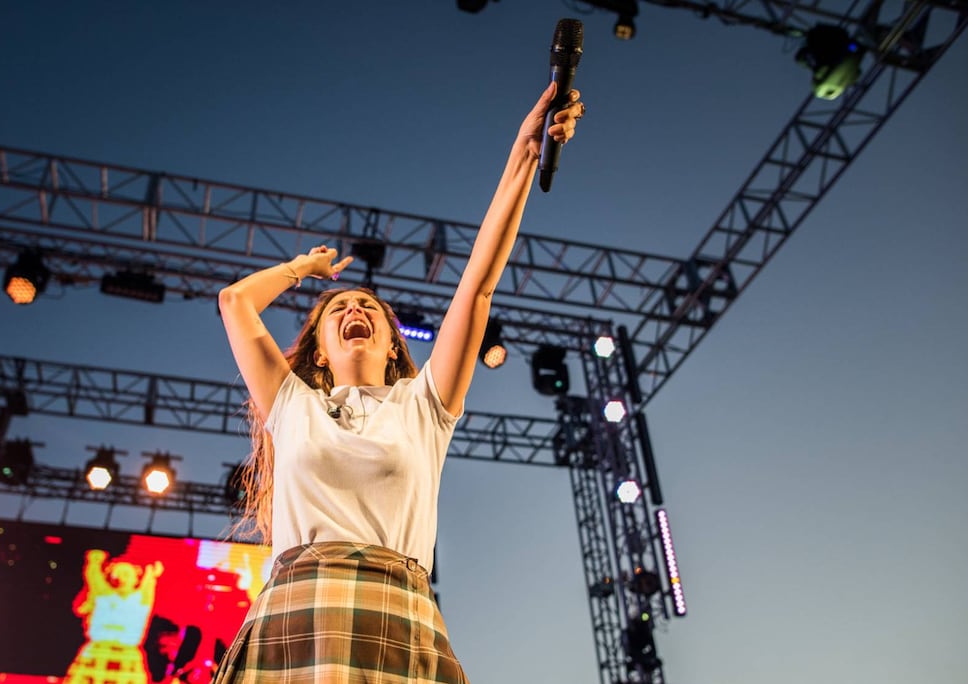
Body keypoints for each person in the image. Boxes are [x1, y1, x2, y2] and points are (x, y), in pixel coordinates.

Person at [213, 81, 585, 683]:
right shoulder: (293, 404)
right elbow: (234, 302)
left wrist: (522, 154)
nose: (352, 310)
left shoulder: (424, 405)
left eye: (367, 308)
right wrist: (301, 269)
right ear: (321, 354)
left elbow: (479, 287)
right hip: (295, 618)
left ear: (393, 346)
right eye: (336, 309)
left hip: (398, 614)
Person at [66, 550, 164, 684]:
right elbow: (94, 578)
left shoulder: (140, 599)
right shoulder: (103, 594)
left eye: (126, 573)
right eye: (117, 573)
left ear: (136, 578)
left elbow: (149, 583)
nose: (121, 577)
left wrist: (151, 573)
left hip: (127, 655)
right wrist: (94, 562)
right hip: (99, 651)